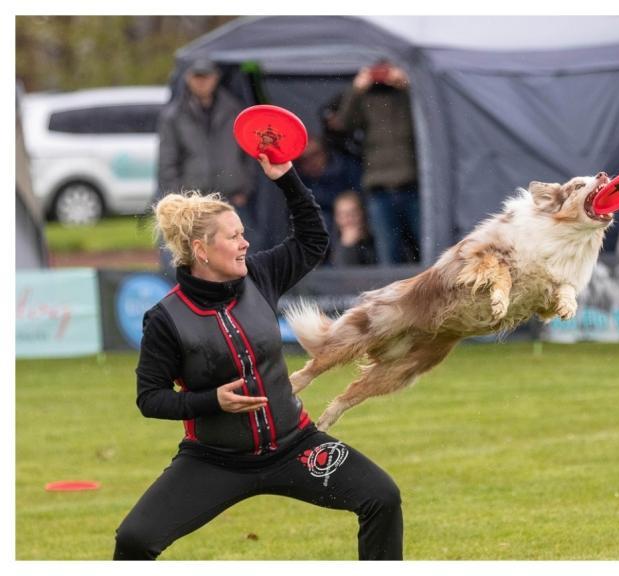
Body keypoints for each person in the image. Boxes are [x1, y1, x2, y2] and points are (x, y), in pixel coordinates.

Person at [113, 154, 403, 560]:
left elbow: (312, 240)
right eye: (233, 237)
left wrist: (286, 178)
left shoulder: (259, 275)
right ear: (201, 249)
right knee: (134, 541)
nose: (245, 243)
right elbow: (150, 398)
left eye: (242, 233)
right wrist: (211, 401)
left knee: (382, 497)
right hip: (216, 461)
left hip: (295, 447)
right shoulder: (165, 319)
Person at [156, 57, 256, 277]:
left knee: (240, 257)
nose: (201, 82)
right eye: (197, 76)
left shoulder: (234, 110)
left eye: (206, 76)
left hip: (231, 198)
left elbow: (249, 153)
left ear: (216, 78)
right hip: (195, 203)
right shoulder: (174, 116)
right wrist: (179, 199)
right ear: (188, 78)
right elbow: (167, 163)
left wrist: (245, 187)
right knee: (191, 260)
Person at [334, 60, 420, 265]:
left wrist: (410, 84)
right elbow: (342, 124)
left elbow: (430, 116)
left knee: (427, 246)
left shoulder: (405, 96)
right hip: (379, 188)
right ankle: (391, 297)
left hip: (411, 185)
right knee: (388, 253)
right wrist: (356, 89)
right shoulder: (365, 99)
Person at [294, 137, 362, 250]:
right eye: (304, 159)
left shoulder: (346, 168)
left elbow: (358, 198)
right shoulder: (300, 181)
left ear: (325, 153)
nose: (311, 162)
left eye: (314, 155)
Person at [331, 190, 377, 266]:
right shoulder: (329, 245)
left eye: (353, 213)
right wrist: (347, 247)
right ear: (336, 218)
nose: (348, 219)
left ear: (363, 213)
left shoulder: (377, 241)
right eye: (342, 214)